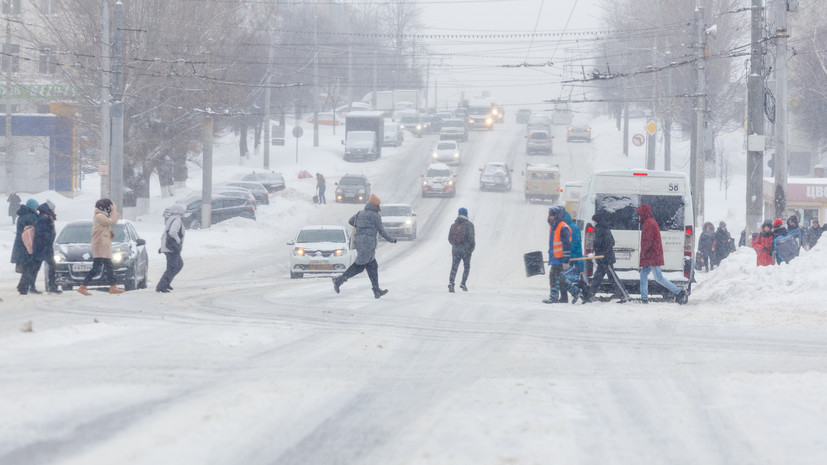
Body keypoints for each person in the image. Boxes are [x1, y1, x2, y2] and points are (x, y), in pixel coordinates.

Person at [332, 194, 397, 298]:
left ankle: (376, 290)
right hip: (367, 244)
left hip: (361, 243)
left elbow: (351, 221)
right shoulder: (375, 216)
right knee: (359, 266)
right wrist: (392, 239)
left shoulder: (360, 213)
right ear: (376, 205)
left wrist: (361, 226)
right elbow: (381, 231)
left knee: (372, 266)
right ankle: (338, 280)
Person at [637, 204, 687, 304]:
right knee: (643, 274)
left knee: (659, 278)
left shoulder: (648, 223)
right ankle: (644, 298)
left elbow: (647, 241)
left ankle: (679, 292)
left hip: (652, 255)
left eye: (640, 213)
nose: (639, 215)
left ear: (644, 213)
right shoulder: (650, 222)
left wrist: (643, 253)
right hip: (652, 254)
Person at [78, 199, 125, 295]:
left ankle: (113, 287)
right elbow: (113, 222)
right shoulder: (99, 216)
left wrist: (108, 233)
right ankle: (83, 287)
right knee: (97, 268)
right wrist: (114, 210)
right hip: (100, 245)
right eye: (108, 207)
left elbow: (113, 220)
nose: (110, 209)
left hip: (103, 244)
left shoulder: (102, 216)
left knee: (108, 267)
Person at [582, 213, 628, 304]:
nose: (593, 222)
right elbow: (610, 242)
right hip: (602, 259)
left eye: (594, 220)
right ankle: (590, 295)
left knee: (613, 278)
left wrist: (603, 253)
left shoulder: (600, 229)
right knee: (597, 278)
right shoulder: (604, 228)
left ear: (597, 220)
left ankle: (624, 295)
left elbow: (604, 243)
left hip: (606, 259)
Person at [11, 198, 40, 295]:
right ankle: (23, 287)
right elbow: (34, 231)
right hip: (27, 245)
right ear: (32, 207)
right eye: (36, 206)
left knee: (27, 267)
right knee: (29, 267)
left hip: (21, 245)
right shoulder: (31, 217)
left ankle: (22, 286)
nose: (37, 209)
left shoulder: (22, 215)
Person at [543, 206, 571, 304]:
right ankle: (566, 297)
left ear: (558, 215)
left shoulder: (562, 227)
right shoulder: (553, 227)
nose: (551, 217)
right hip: (555, 257)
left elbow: (566, 244)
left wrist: (565, 257)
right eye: (550, 215)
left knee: (554, 278)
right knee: (561, 279)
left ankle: (554, 297)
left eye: (553, 215)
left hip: (560, 258)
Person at [33, 201, 61, 294]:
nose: (54, 210)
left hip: (44, 247)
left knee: (40, 266)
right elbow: (40, 233)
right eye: (52, 209)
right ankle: (50, 286)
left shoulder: (46, 217)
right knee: (46, 266)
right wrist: (48, 237)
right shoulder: (43, 218)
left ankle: (33, 286)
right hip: (43, 247)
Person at [156, 203, 185, 293]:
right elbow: (172, 232)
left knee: (178, 265)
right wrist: (178, 240)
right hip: (172, 248)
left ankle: (166, 282)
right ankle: (161, 286)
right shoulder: (177, 220)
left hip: (169, 247)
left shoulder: (171, 219)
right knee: (173, 267)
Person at [448, 207, 475, 293]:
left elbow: (449, 238)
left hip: (456, 250)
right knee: (466, 267)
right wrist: (471, 249)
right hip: (466, 251)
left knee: (454, 267)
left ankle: (451, 284)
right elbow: (471, 238)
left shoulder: (453, 225)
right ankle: (463, 283)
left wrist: (455, 245)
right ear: (466, 214)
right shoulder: (470, 225)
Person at [561, 210, 583, 303]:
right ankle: (566, 297)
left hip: (572, 256)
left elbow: (574, 244)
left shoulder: (570, 228)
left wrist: (569, 255)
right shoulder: (571, 227)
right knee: (568, 276)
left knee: (567, 277)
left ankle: (579, 293)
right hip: (571, 256)